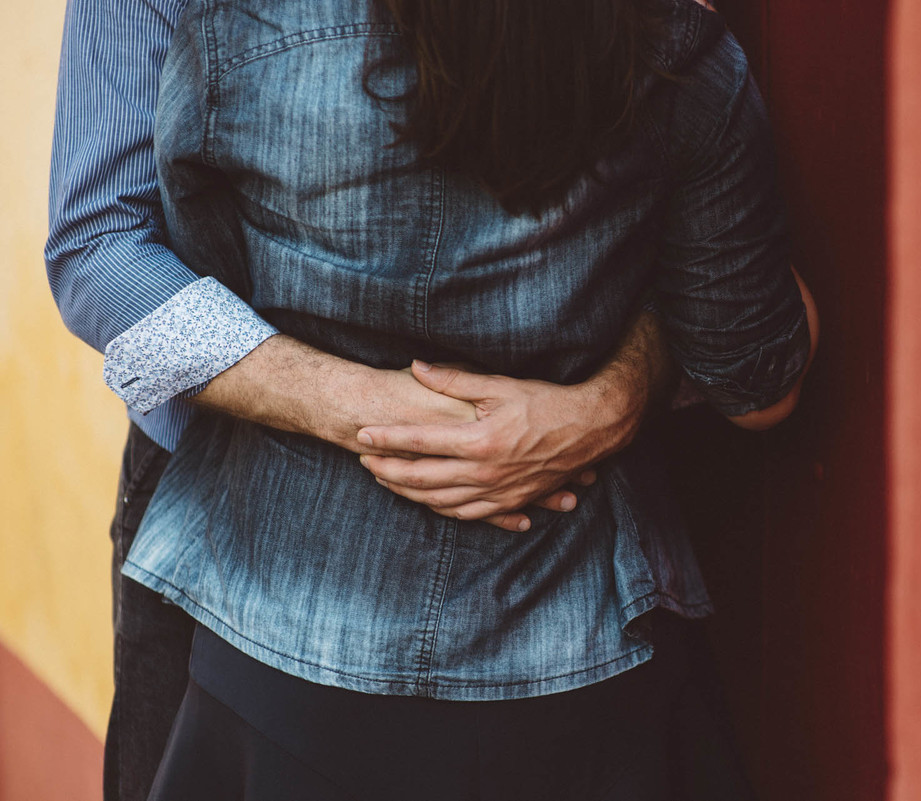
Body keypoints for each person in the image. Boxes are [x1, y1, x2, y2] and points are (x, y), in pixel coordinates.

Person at [117, 0, 817, 796]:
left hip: (280, 647)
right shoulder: (672, 48)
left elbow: (207, 297)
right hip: (572, 653)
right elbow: (757, 387)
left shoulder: (233, 35)